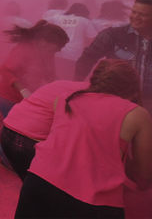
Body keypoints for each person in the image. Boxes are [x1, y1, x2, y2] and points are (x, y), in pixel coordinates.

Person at [15, 59, 152, 218]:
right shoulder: (137, 115)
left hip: (39, 183)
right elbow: (144, 174)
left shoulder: (65, 99)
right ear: (132, 88)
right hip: (94, 202)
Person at [0, 20, 68, 174]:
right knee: (21, 134)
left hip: (30, 100)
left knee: (22, 132)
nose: (57, 51)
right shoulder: (23, 50)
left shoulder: (47, 53)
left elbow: (50, 74)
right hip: (9, 98)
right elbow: (5, 70)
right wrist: (23, 89)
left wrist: (62, 86)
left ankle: (6, 160)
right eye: (57, 47)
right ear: (44, 41)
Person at [0, 79, 86, 181]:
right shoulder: (83, 97)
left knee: (30, 180)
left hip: (6, 131)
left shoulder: (62, 83)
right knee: (43, 181)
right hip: (26, 141)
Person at [75, 0, 152, 105]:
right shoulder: (112, 35)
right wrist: (77, 88)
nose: (135, 17)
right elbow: (87, 59)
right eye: (134, 12)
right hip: (118, 99)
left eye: (143, 15)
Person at [48, 3, 97, 80]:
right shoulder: (85, 21)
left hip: (58, 52)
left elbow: (43, 22)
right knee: (71, 77)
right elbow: (93, 39)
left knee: (59, 76)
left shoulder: (57, 18)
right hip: (75, 54)